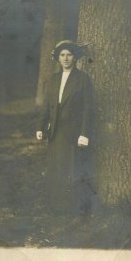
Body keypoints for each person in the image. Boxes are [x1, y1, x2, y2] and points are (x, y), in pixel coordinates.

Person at [36, 40, 95, 218]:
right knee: (56, 169)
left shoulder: (82, 79)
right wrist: (40, 127)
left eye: (69, 55)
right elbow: (47, 106)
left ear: (75, 57)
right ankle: (56, 208)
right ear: (58, 58)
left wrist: (84, 134)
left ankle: (74, 210)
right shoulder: (53, 80)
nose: (66, 58)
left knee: (73, 169)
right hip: (55, 132)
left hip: (74, 134)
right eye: (62, 55)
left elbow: (87, 108)